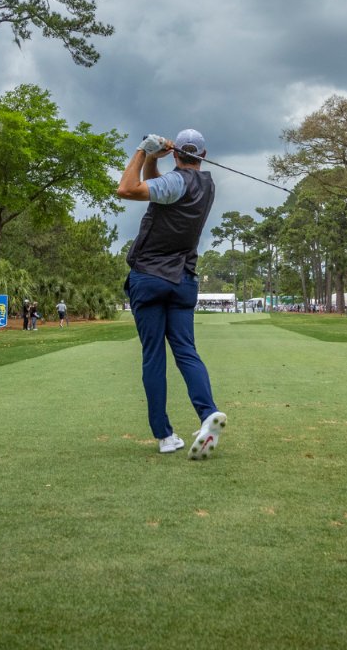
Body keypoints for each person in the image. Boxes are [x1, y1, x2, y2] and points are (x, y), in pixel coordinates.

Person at [117, 128, 227, 459]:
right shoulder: (207, 186)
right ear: (203, 156)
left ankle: (165, 436)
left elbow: (126, 188)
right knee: (186, 351)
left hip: (150, 278)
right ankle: (208, 413)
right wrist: (154, 159)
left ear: (177, 154)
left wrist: (141, 150)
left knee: (154, 356)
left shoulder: (174, 184)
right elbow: (162, 185)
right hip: (183, 281)